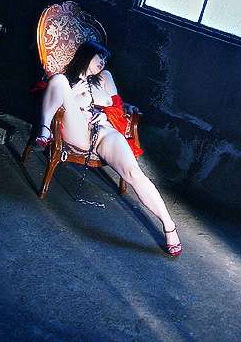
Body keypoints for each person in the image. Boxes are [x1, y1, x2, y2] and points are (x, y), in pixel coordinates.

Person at [35, 40, 182, 257]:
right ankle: (45, 131)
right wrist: (73, 93)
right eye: (99, 57)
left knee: (134, 173)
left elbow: (117, 107)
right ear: (87, 55)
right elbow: (54, 98)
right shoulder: (67, 81)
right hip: (79, 130)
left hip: (105, 132)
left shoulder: (104, 78)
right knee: (59, 81)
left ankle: (169, 227)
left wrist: (105, 113)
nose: (102, 62)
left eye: (105, 59)